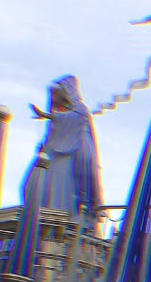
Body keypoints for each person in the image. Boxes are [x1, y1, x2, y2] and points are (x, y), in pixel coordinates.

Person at [30, 76, 102, 215]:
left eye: (56, 93)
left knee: (63, 189)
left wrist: (48, 115)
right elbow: (55, 134)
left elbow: (74, 119)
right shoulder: (60, 114)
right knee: (36, 185)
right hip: (54, 156)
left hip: (73, 153)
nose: (53, 98)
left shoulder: (80, 109)